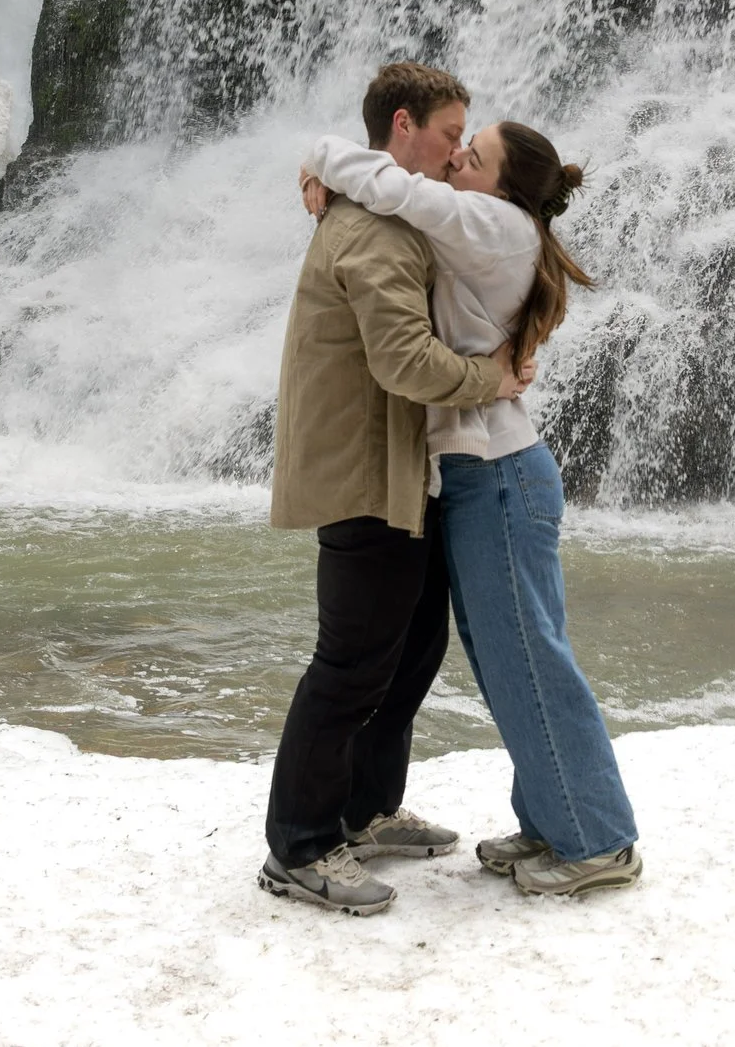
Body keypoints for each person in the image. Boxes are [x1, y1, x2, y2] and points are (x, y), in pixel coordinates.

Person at [297, 114, 641, 897]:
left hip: (500, 477)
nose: (458, 156)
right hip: (486, 476)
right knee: (509, 662)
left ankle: (598, 840)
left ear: (504, 186)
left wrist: (318, 156)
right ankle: (555, 818)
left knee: (530, 659)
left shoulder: (493, 221)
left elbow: (391, 184)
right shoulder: (499, 224)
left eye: (474, 154)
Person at [259, 61, 534, 916]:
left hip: (399, 470)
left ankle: (367, 807)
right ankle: (298, 846)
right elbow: (404, 362)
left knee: (412, 647)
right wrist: (493, 378)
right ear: (405, 125)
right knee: (350, 662)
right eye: (453, 136)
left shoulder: (383, 207)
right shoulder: (375, 231)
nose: (458, 157)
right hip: (360, 474)